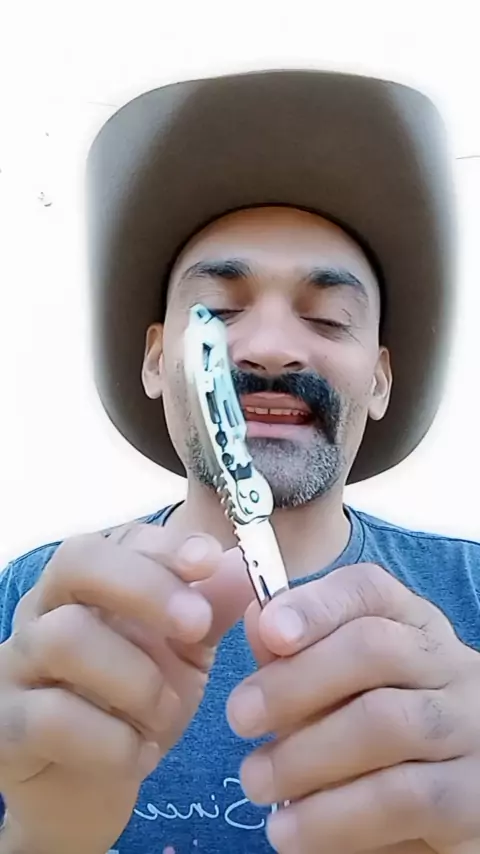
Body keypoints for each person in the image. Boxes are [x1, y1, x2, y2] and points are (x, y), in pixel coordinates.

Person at [0, 68, 478, 854]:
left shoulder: (474, 595)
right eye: (218, 313)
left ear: (381, 380)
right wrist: (42, 837)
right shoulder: (32, 610)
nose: (271, 347)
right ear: (155, 362)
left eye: (329, 318)